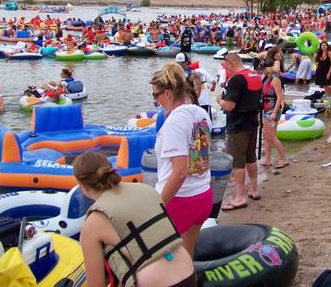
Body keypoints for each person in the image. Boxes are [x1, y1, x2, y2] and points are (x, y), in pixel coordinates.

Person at [74, 151, 197, 287]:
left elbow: (96, 284)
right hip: (187, 271)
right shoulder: (146, 189)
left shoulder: (93, 222)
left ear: (83, 187)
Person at [150, 63, 212, 255]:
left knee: (163, 258)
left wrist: (157, 206)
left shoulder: (175, 122)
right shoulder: (200, 113)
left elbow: (179, 172)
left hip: (180, 200)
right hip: (202, 194)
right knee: (187, 253)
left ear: (167, 94)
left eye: (155, 95)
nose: (155, 101)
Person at [216, 52, 262, 210]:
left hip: (238, 125)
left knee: (238, 162)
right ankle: (254, 189)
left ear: (230, 63)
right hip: (252, 122)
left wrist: (219, 100)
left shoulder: (236, 79)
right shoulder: (254, 75)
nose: (225, 69)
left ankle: (239, 196)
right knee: (251, 157)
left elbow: (229, 106)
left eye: (225, 65)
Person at [259, 59, 288, 169]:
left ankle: (284, 159)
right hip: (265, 109)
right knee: (265, 135)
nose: (262, 71)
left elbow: (279, 96)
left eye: (263, 69)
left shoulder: (275, 79)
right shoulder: (265, 78)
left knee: (271, 136)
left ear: (268, 68)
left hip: (272, 111)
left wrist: (274, 112)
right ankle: (267, 159)